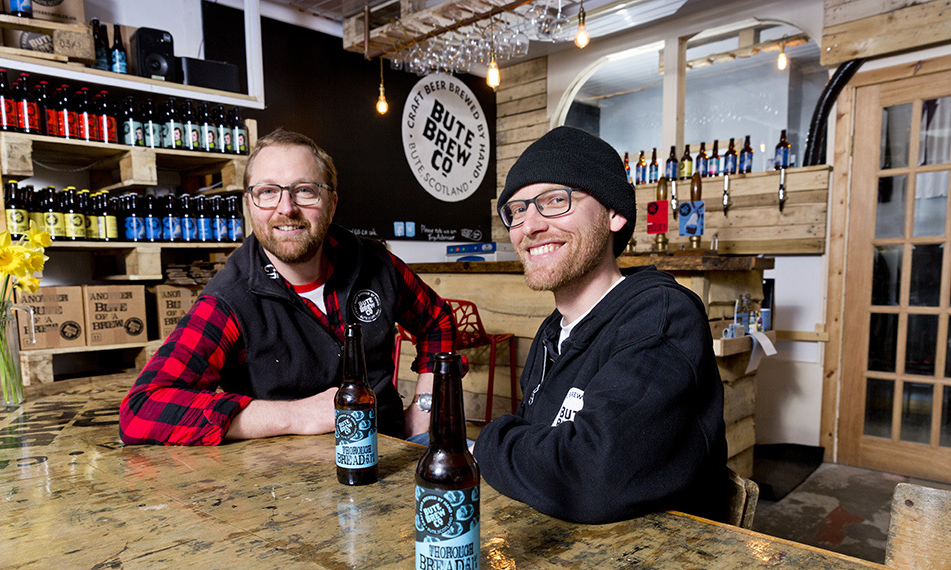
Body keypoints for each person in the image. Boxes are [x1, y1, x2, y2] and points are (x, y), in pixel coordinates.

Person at [120, 129, 455, 445]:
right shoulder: (230, 298)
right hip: (289, 485)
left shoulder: (374, 261)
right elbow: (142, 410)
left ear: (332, 203)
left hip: (391, 449)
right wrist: (294, 416)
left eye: (305, 190)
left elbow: (437, 320)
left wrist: (425, 406)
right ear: (250, 206)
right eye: (268, 192)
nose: (286, 208)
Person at [473, 126, 729, 524]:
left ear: (614, 214)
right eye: (518, 210)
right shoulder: (553, 332)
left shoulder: (660, 319)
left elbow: (590, 475)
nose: (529, 226)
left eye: (555, 200)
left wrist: (488, 440)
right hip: (566, 556)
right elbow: (544, 457)